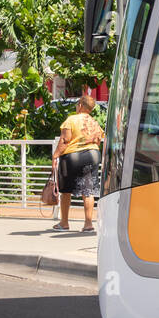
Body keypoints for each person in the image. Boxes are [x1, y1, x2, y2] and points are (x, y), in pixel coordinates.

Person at [53, 95, 104, 232]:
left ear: (81, 105)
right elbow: (98, 140)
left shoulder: (71, 119)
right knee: (88, 190)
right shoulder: (94, 122)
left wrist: (55, 156)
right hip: (93, 155)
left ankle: (64, 223)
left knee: (66, 190)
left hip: (73, 156)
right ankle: (88, 224)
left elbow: (65, 139)